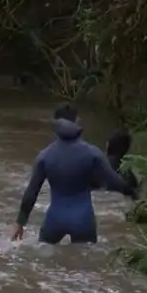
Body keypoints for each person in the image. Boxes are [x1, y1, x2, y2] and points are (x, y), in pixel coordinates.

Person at [11, 103, 137, 244]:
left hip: (54, 220)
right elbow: (114, 181)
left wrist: (20, 222)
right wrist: (133, 193)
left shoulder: (45, 156)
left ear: (55, 125)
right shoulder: (92, 153)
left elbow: (32, 192)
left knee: (43, 253)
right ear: (77, 122)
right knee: (86, 256)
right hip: (83, 219)